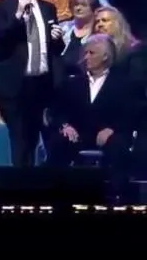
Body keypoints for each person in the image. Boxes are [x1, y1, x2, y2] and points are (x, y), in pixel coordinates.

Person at [0, 0, 62, 167]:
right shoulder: (3, 6)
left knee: (33, 139)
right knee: (19, 138)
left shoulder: (48, 8)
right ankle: (19, 183)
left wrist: (57, 39)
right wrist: (19, 13)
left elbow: (55, 49)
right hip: (15, 84)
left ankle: (31, 182)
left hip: (40, 83)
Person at [45, 34, 138, 201]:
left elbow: (131, 113)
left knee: (118, 146)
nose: (86, 57)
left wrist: (112, 129)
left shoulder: (123, 84)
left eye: (91, 53)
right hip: (77, 134)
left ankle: (116, 195)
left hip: (109, 134)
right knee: (57, 142)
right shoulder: (72, 83)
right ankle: (55, 194)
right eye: (85, 53)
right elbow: (56, 110)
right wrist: (65, 125)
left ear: (105, 56)